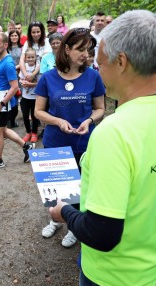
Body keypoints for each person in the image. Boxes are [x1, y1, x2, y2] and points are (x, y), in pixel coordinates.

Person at [49, 10, 156, 286]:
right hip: (152, 264)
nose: (97, 71)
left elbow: (101, 234)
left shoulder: (114, 133)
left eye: (100, 63)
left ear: (121, 62)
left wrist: (63, 212)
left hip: (111, 277)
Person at [35, 28, 105, 247]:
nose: (85, 54)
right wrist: (57, 121)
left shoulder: (93, 76)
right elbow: (39, 111)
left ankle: (75, 226)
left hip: (84, 142)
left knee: (80, 189)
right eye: (80, 49)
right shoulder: (48, 77)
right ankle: (55, 220)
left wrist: (89, 121)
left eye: (88, 49)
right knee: (57, 188)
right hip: (55, 141)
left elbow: (100, 108)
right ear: (66, 49)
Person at [0, 32, 33, 170]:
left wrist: (2, 104)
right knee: (2, 130)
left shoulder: (9, 63)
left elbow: (15, 87)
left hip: (4, 103)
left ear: (5, 45)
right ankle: (26, 146)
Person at [19, 21, 51, 87]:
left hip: (42, 74)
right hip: (28, 74)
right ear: (30, 33)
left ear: (41, 32)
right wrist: (26, 75)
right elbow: (22, 59)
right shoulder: (27, 43)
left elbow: (43, 61)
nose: (36, 34)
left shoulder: (47, 42)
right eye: (33, 32)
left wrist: (33, 75)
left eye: (38, 32)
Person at [19, 48, 40, 143]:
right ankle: (28, 132)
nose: (30, 59)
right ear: (25, 58)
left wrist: (30, 84)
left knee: (34, 116)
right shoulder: (24, 67)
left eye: (32, 57)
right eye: (29, 57)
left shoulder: (38, 67)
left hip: (35, 97)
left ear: (36, 57)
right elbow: (20, 79)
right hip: (25, 97)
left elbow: (40, 82)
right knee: (25, 115)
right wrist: (22, 82)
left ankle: (34, 132)